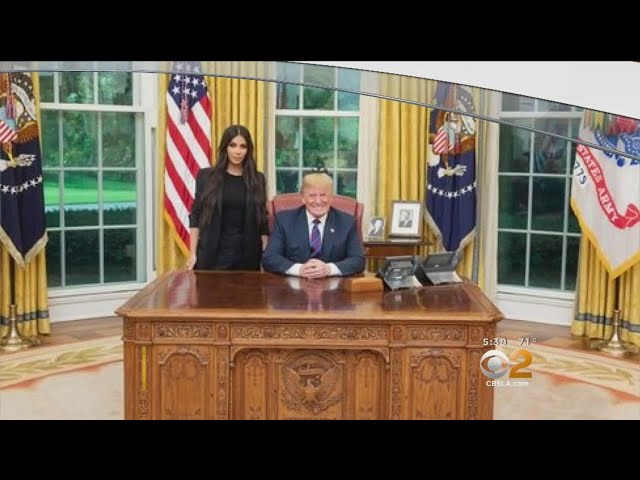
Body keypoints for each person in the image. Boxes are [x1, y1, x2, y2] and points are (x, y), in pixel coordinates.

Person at [187, 125, 268, 270]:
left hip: (248, 256)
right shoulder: (206, 177)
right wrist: (193, 253)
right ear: (225, 147)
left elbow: (262, 220)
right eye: (233, 145)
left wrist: (265, 255)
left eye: (243, 146)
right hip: (212, 254)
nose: (238, 151)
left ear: (248, 150)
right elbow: (196, 215)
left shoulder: (258, 178)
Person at [262, 172, 365, 278]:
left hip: (334, 284)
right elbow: (270, 258)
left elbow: (358, 260)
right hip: (293, 283)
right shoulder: (284, 220)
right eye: (312, 196)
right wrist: (299, 269)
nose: (318, 201)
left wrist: (329, 269)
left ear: (331, 197)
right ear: (303, 198)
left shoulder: (347, 222)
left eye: (323, 195)